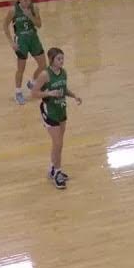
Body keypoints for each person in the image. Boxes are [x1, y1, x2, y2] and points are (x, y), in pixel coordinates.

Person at [32, 47, 82, 189]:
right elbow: (34, 93)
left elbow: (64, 89)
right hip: (49, 111)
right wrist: (49, 93)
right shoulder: (44, 75)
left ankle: (53, 169)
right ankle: (57, 173)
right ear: (52, 60)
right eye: (59, 59)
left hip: (61, 109)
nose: (62, 61)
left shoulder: (63, 73)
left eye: (62, 58)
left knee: (59, 143)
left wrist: (74, 96)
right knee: (58, 143)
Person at [4, 0, 46, 103]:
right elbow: (5, 26)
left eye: (29, 0)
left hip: (33, 38)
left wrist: (30, 16)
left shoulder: (34, 8)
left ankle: (32, 83)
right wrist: (11, 42)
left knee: (43, 64)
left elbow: (39, 25)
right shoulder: (13, 11)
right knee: (21, 69)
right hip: (21, 40)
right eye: (25, 1)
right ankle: (18, 92)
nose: (28, 3)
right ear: (19, 0)